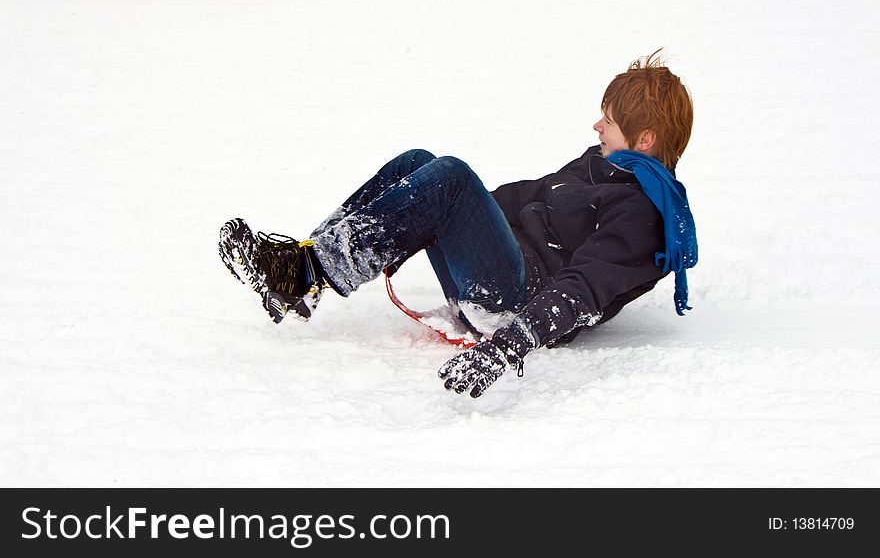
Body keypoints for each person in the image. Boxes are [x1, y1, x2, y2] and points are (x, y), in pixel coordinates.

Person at [219, 49, 697, 398]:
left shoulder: (645, 213)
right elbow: (521, 201)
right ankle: (307, 267)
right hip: (504, 264)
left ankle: (302, 273)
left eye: (608, 122)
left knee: (449, 176)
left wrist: (509, 346)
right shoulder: (601, 165)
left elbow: (581, 291)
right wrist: (418, 217)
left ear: (646, 139)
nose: (596, 128)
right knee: (420, 165)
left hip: (517, 301)